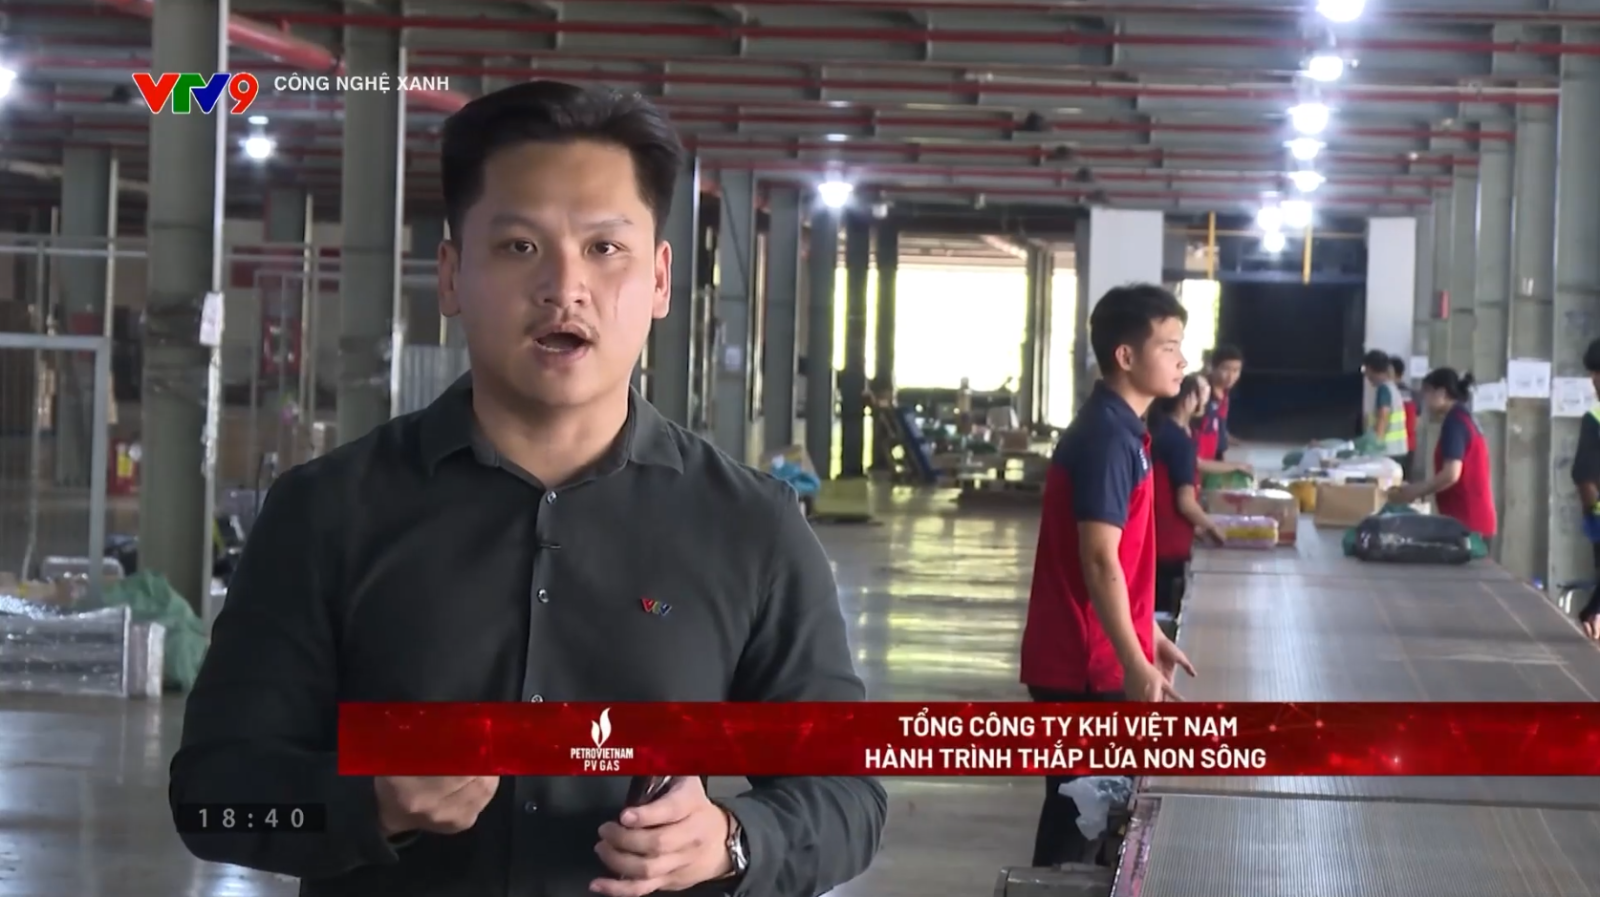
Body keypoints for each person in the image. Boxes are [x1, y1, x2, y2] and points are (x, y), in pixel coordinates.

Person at [168, 80, 887, 897]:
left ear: (659, 280)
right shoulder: (327, 511)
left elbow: (847, 793)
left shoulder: (752, 526)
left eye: (604, 248)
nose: (564, 287)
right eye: (519, 246)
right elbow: (212, 798)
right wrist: (370, 802)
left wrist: (732, 838)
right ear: (451, 276)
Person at [1019, 283, 1197, 868]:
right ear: (1125, 355)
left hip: (1094, 654)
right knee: (1078, 824)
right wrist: (1132, 658)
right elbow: (1098, 559)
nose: (1182, 361)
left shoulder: (1125, 431)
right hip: (1083, 663)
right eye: (1169, 347)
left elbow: (1121, 562)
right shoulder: (1107, 439)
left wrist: (1148, 632)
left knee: (1092, 821)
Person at [1390, 368, 1496, 551]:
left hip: (1468, 522)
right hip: (1473, 518)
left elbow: (1451, 474)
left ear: (1441, 393)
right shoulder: (1463, 416)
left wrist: (1415, 491)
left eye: (1427, 393)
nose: (1425, 401)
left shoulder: (1455, 422)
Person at [1150, 374, 1228, 620]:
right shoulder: (1179, 442)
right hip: (1169, 544)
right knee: (1164, 613)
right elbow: (1184, 502)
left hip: (1155, 537)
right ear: (1187, 399)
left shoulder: (1163, 432)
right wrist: (1213, 528)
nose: (1204, 401)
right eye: (1199, 394)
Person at [1569, 338, 1600, 638]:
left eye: (1597, 372)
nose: (1593, 380)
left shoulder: (1595, 418)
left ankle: (1593, 616)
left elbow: (1584, 475)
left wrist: (1592, 512)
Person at [1189, 376, 1252, 479]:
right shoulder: (1183, 428)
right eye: (1200, 389)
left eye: (1206, 388)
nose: (1205, 392)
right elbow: (1196, 463)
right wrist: (1234, 466)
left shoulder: (1212, 411)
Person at [1362, 349, 1409, 465]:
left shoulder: (1383, 390)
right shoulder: (1392, 387)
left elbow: (1383, 417)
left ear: (1370, 369)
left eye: (1365, 370)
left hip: (1387, 451)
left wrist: (1374, 447)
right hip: (1398, 449)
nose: (1366, 375)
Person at [1203, 344, 1245, 460]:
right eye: (1225, 369)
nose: (1231, 376)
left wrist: (1226, 437)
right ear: (1213, 367)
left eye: (1236, 370)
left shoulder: (1225, 393)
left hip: (1217, 454)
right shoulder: (1202, 392)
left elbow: (1220, 421)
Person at [1389, 355, 1419, 480]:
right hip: (1409, 444)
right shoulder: (1413, 394)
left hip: (1394, 447)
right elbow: (1417, 421)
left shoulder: (1389, 393)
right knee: (1405, 480)